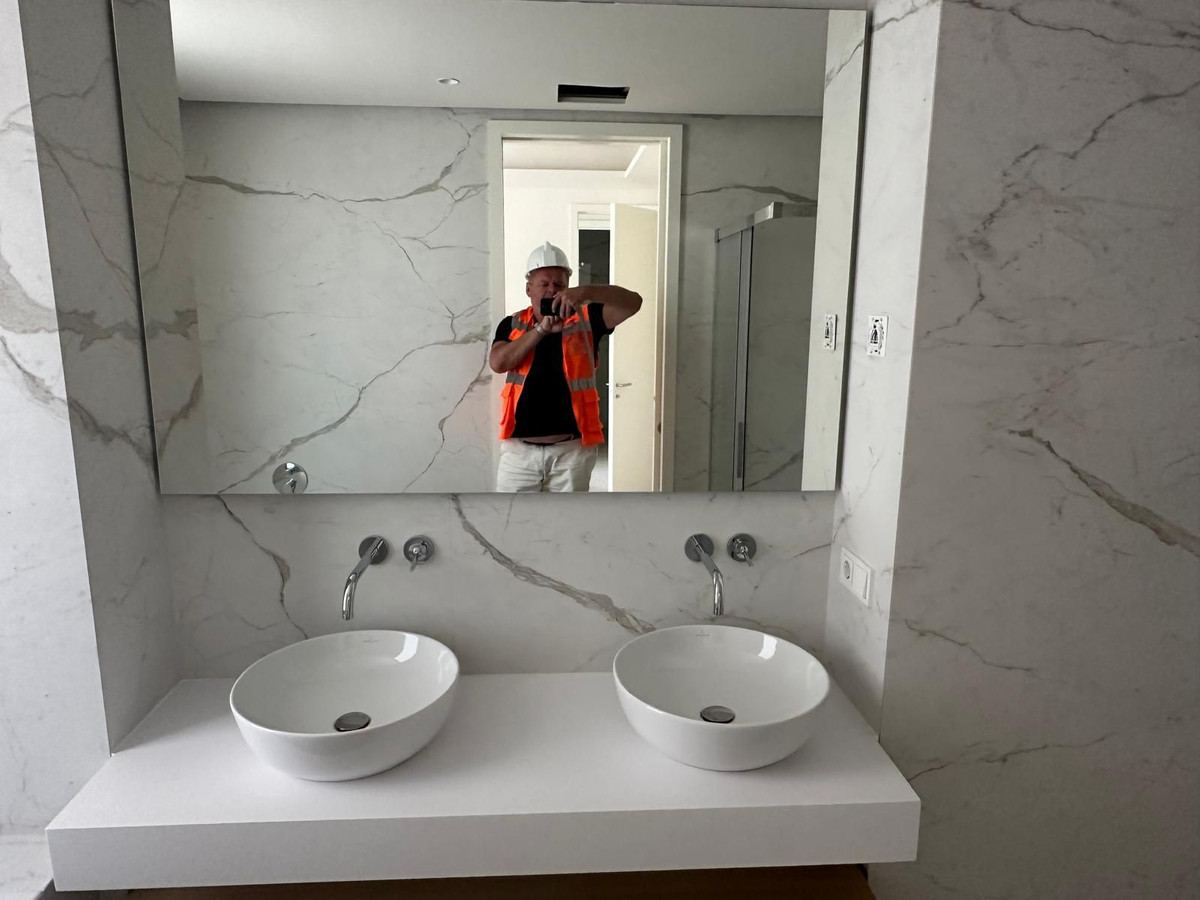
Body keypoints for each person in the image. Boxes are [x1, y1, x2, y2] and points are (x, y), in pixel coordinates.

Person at [490, 242, 642, 491]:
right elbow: (498, 363)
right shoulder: (512, 323)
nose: (552, 290)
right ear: (529, 289)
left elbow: (633, 302)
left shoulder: (589, 318)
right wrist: (540, 331)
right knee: (511, 516)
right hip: (519, 454)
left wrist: (586, 292)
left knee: (567, 517)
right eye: (544, 284)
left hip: (572, 453)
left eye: (559, 285)